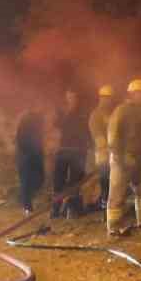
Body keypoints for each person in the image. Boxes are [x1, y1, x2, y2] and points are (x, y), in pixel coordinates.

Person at [106, 78, 141, 236]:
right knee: (117, 193)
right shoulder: (121, 110)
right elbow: (112, 138)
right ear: (132, 94)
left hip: (140, 159)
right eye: (139, 93)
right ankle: (113, 228)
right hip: (122, 160)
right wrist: (121, 157)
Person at [51, 89, 91, 218]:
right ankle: (55, 210)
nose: (71, 100)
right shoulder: (62, 112)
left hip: (78, 151)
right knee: (58, 182)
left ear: (78, 98)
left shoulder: (84, 112)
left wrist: (88, 147)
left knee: (75, 182)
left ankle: (73, 211)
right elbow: (56, 125)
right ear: (66, 98)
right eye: (69, 97)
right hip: (63, 150)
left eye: (74, 97)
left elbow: (88, 130)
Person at [88, 85, 119, 211]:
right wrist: (106, 147)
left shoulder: (114, 113)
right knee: (106, 182)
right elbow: (98, 137)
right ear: (100, 98)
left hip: (116, 155)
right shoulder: (95, 115)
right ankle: (105, 208)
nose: (107, 100)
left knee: (115, 183)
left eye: (109, 98)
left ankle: (114, 206)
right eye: (105, 98)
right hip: (104, 156)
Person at [14, 107, 46, 215]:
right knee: (26, 182)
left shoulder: (35, 127)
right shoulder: (24, 127)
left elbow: (38, 142)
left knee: (39, 180)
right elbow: (21, 142)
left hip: (34, 157)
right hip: (26, 158)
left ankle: (26, 201)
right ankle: (27, 206)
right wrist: (28, 154)